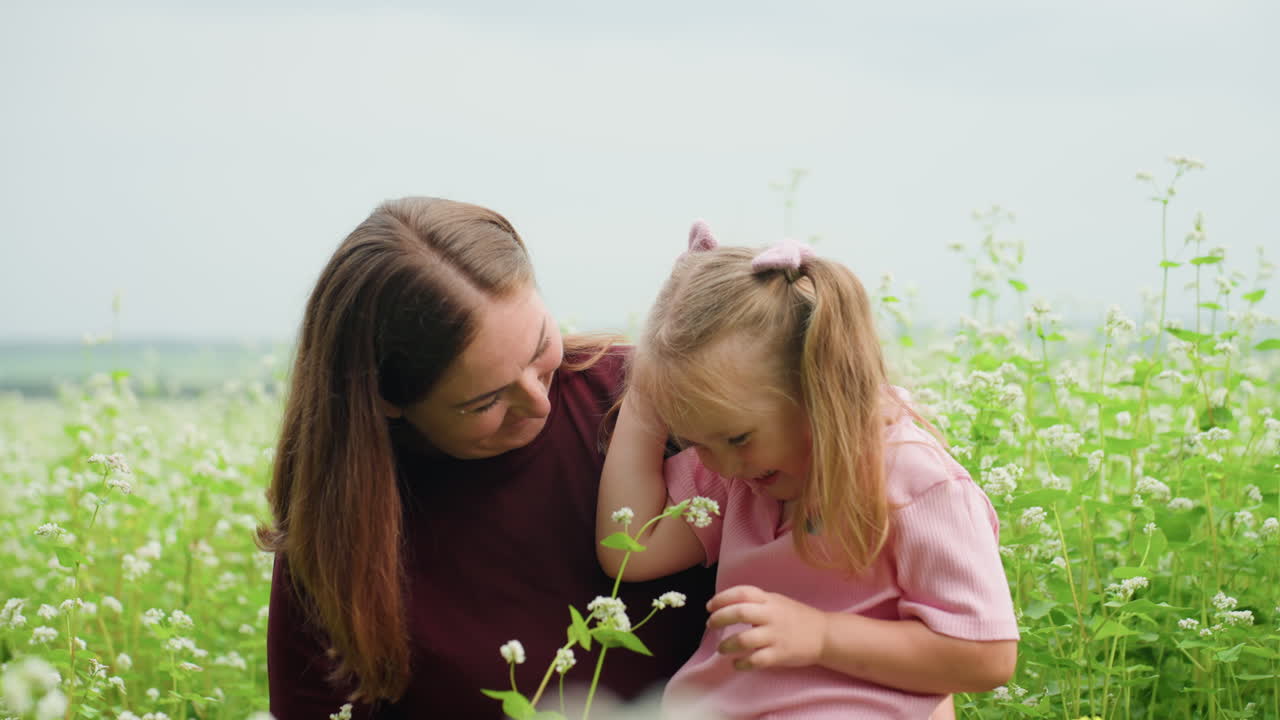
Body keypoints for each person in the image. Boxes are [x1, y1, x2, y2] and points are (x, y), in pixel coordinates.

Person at [258, 197, 716, 718]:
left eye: (541, 345)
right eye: (485, 401)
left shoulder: (653, 405)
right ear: (384, 400)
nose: (539, 402)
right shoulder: (340, 526)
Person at [595, 221, 1019, 719]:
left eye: (738, 438)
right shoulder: (740, 476)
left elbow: (987, 657)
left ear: (819, 389)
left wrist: (821, 636)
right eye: (695, 442)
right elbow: (630, 550)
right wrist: (650, 383)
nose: (721, 464)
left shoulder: (913, 480)